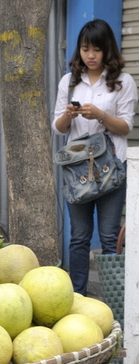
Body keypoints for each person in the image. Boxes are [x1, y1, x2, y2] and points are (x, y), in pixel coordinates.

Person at [52, 19, 137, 295]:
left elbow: (126, 126)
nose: (90, 56)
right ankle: (78, 296)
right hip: (77, 170)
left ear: (107, 50)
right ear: (79, 50)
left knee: (110, 237)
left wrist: (100, 115)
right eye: (86, 49)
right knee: (79, 237)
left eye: (97, 50)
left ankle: (114, 301)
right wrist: (68, 114)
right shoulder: (69, 82)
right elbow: (58, 128)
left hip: (112, 168)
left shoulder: (123, 82)